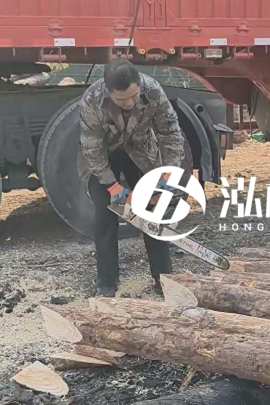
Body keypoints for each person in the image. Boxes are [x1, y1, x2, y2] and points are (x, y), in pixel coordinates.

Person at [77, 59, 193, 297]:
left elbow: (170, 134)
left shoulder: (153, 91)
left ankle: (163, 278)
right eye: (122, 100)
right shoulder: (92, 100)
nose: (129, 102)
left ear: (139, 85)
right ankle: (107, 283)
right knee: (105, 216)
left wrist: (167, 175)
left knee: (152, 213)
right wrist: (112, 186)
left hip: (141, 152)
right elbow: (92, 148)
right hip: (104, 156)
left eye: (133, 96)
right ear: (109, 93)